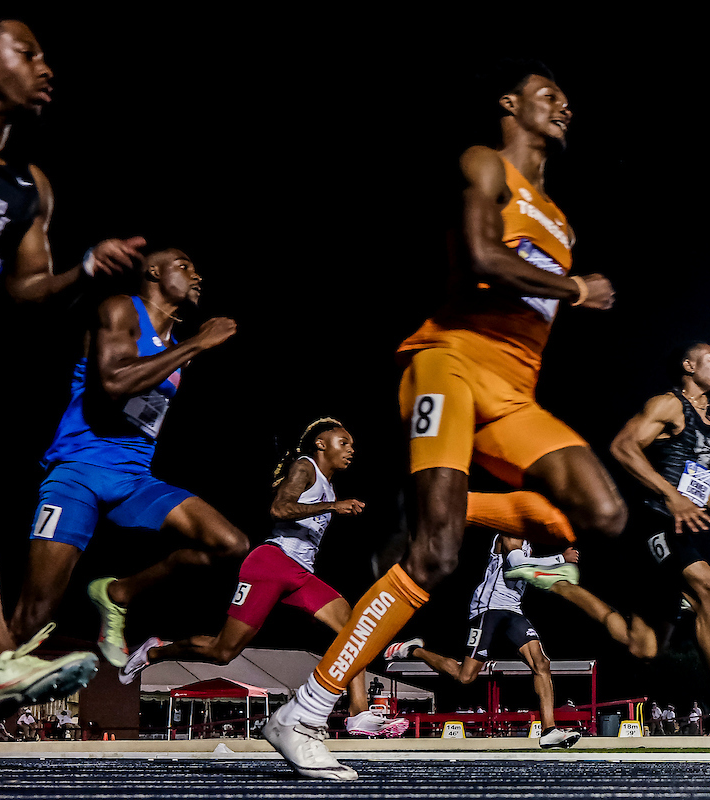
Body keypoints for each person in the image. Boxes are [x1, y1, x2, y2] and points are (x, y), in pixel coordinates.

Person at [262, 60, 625, 781]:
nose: (564, 107)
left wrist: (562, 285)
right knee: (435, 557)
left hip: (512, 394)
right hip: (448, 364)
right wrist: (573, 286)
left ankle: (455, 510)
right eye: (548, 95)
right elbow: (485, 257)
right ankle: (304, 713)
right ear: (510, 104)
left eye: (567, 100)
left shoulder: (561, 220)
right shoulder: (486, 163)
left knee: (602, 510)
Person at [0, 17, 147, 718]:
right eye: (27, 52)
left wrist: (85, 269)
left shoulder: (27, 189)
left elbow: (24, 290)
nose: (46, 67)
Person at [512, 342, 710, 757]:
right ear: (688, 366)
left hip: (679, 532)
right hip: (651, 523)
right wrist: (670, 494)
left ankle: (559, 583)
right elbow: (623, 446)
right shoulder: (668, 405)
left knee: (640, 645)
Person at [7, 249, 249, 668]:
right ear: (154, 271)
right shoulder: (119, 309)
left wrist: (187, 347)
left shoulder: (176, 348)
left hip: (134, 479)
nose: (198, 275)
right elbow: (114, 383)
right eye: (185, 266)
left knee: (229, 544)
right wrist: (197, 343)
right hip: (78, 473)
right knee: (33, 615)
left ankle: (118, 593)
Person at [116, 418, 407, 738]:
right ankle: (153, 652)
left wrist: (332, 501)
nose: (351, 449)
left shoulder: (328, 483)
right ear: (321, 443)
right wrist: (334, 506)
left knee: (356, 632)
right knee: (222, 653)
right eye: (344, 442)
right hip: (270, 565)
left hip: (299, 574)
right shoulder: (305, 467)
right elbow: (279, 510)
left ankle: (358, 714)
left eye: (352, 445)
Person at [383, 533, 581, 748]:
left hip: (513, 610)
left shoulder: (528, 544)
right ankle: (414, 650)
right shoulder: (510, 534)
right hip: (489, 609)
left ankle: (549, 730)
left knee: (541, 663)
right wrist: (560, 559)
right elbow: (516, 564)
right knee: (465, 676)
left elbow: (529, 571)